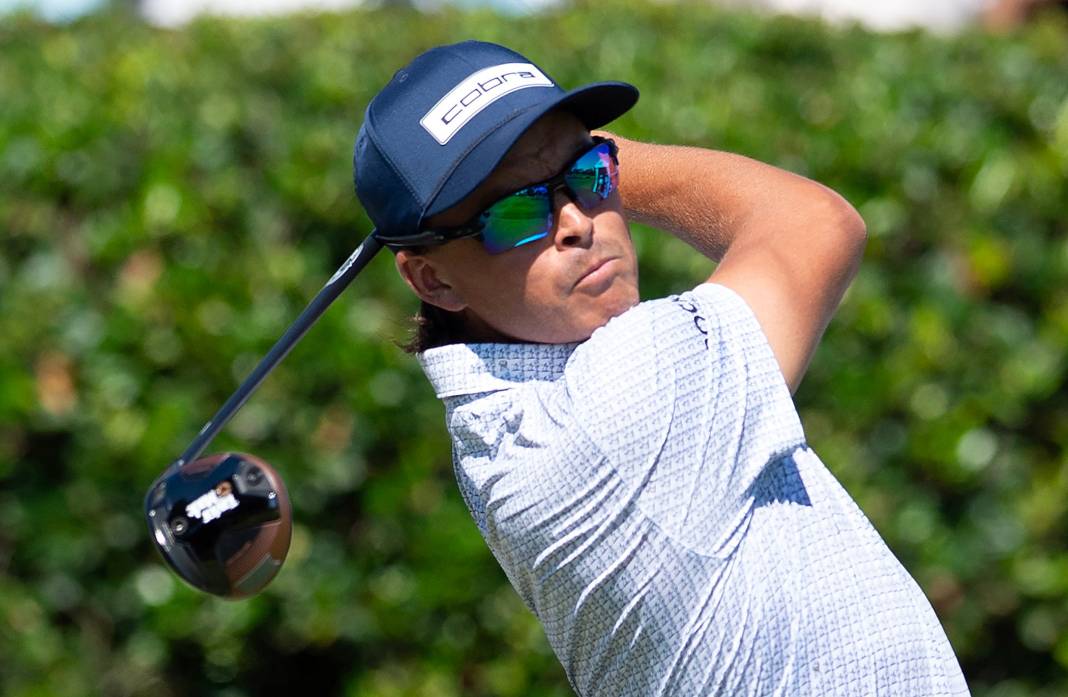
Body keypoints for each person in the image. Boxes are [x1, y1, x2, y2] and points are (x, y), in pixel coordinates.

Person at [352, 40, 969, 696]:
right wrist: (586, 154)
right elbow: (816, 222)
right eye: (514, 212)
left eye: (590, 177)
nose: (576, 223)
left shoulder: (494, 431)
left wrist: (554, 159)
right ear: (433, 280)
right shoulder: (611, 409)